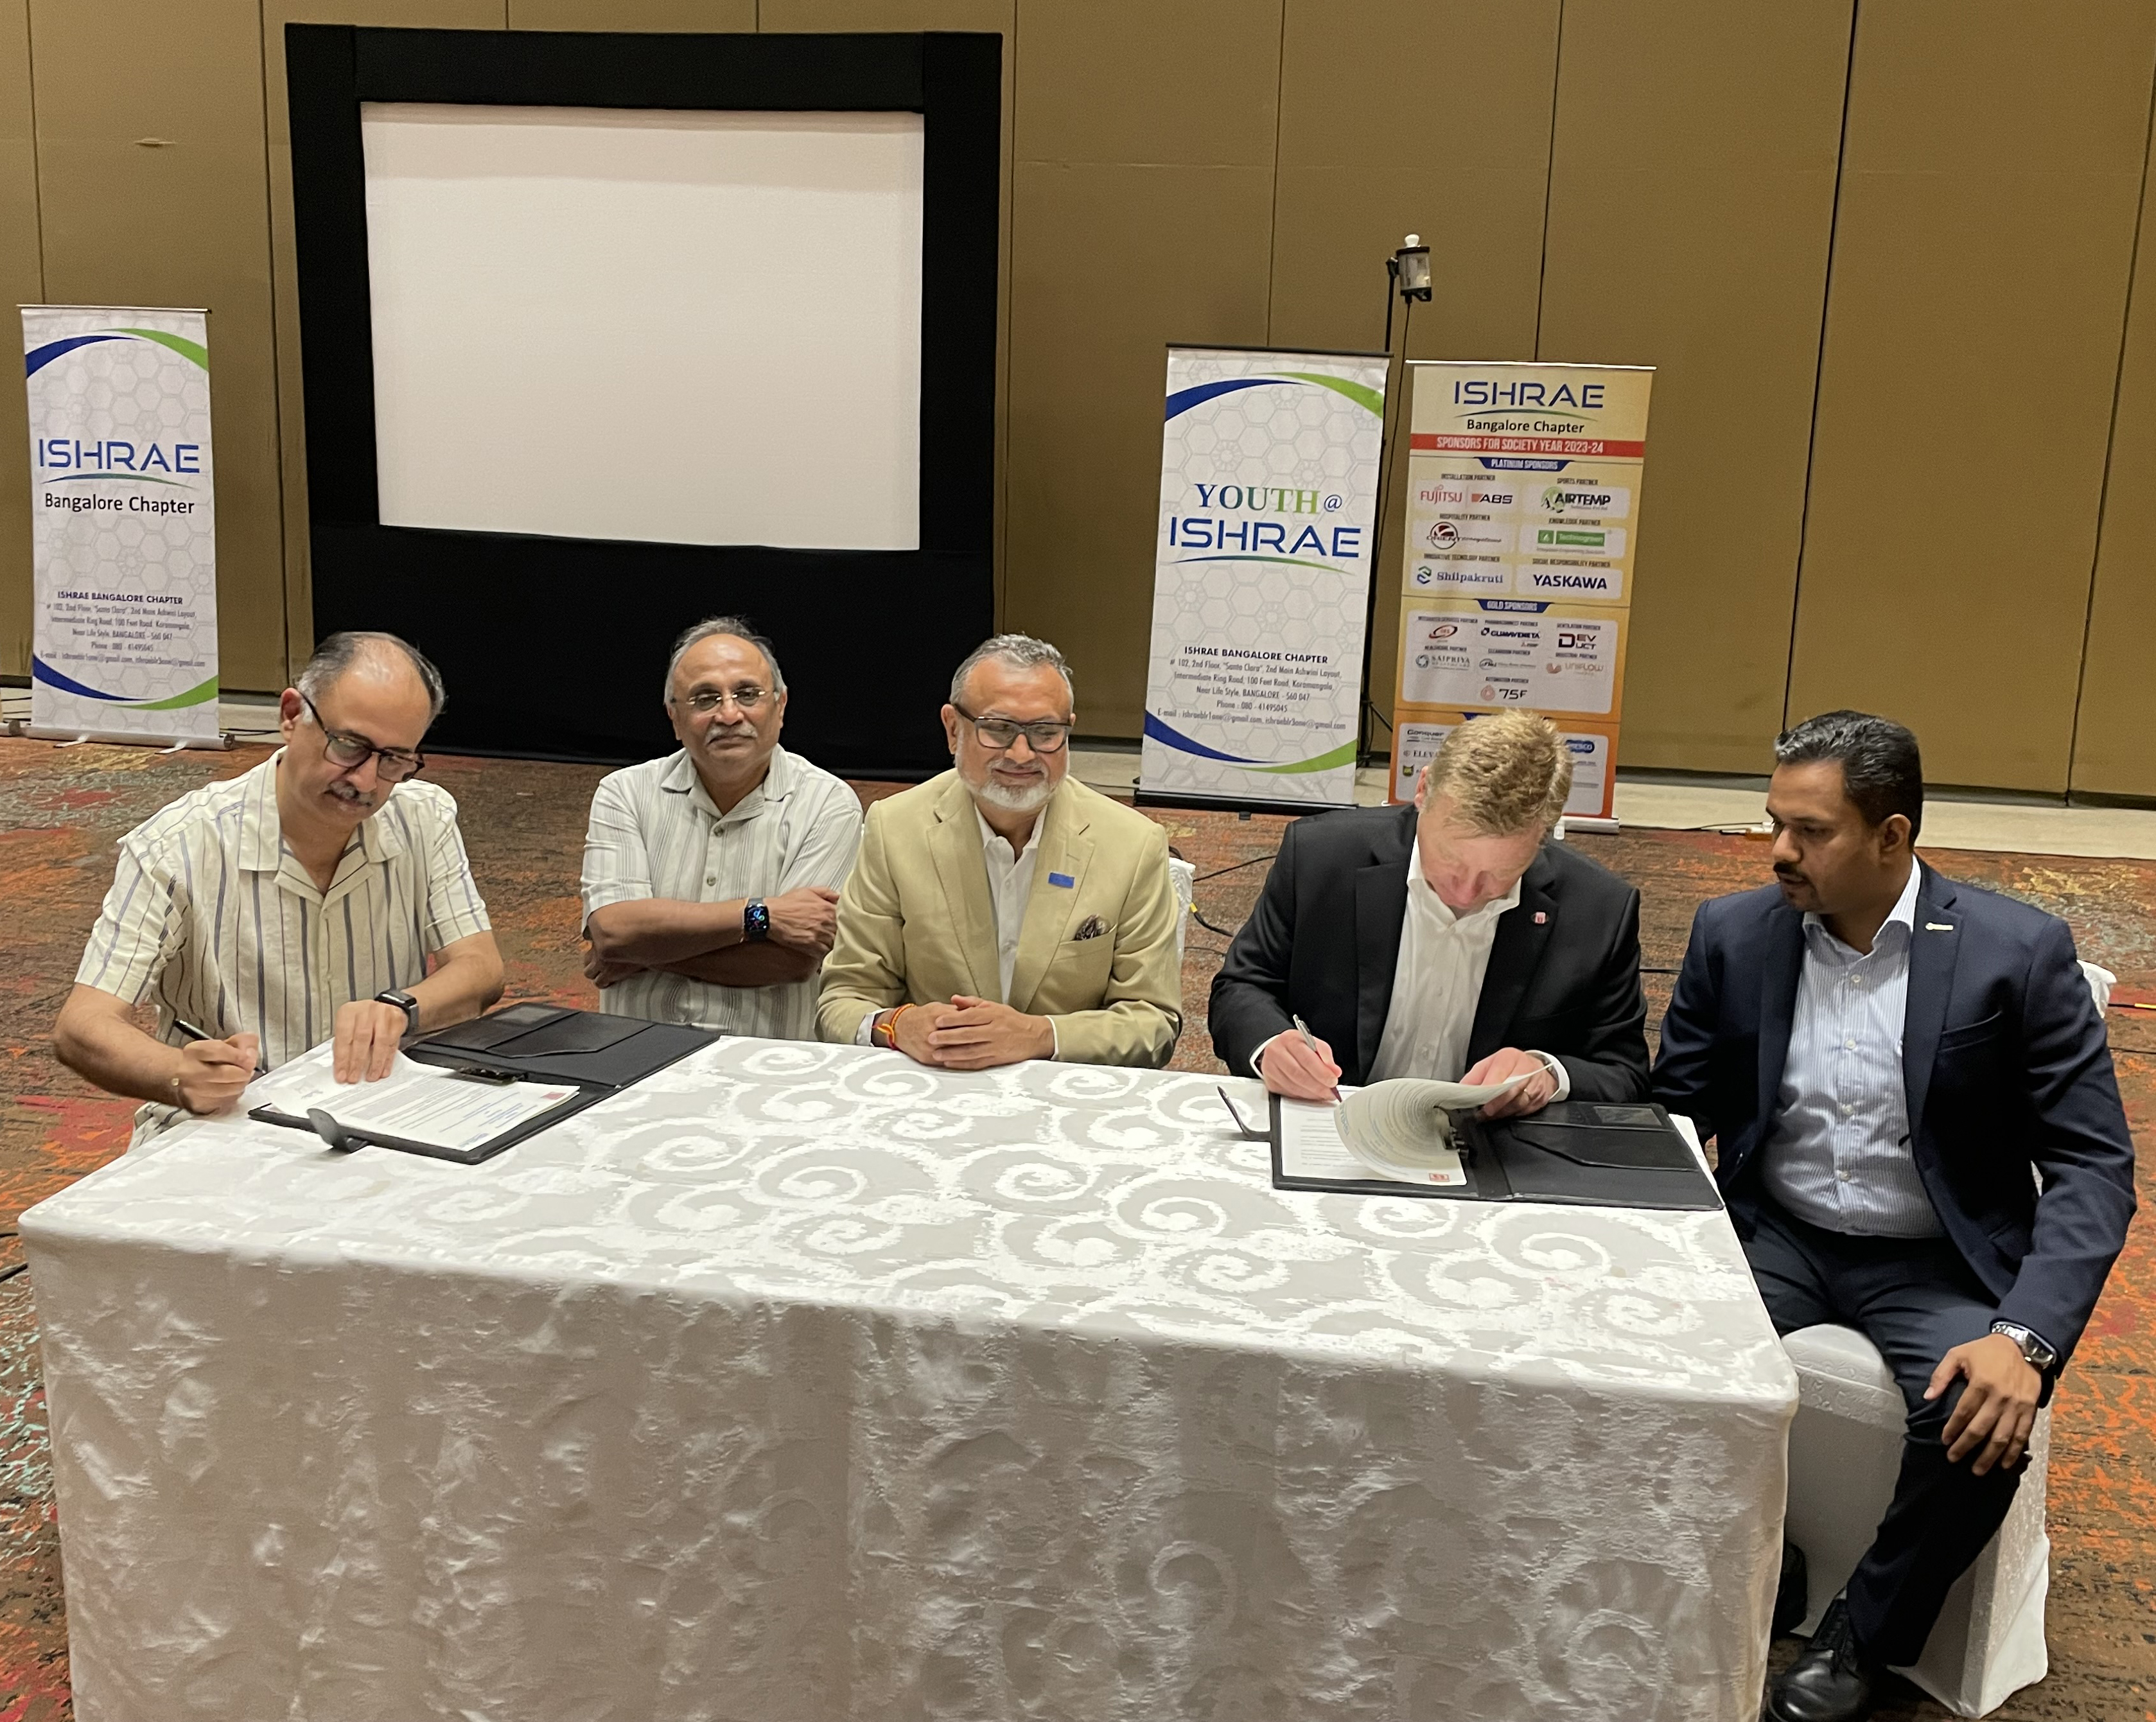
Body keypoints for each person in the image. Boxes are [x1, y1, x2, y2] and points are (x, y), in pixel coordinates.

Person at [1651, 711, 2135, 1722]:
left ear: (1893, 837)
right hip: (1775, 1232)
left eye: (1811, 831)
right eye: (1774, 822)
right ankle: (1760, 1552)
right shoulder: (1734, 934)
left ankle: (1865, 1637)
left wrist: (2026, 1337)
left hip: (1937, 1256)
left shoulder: (2018, 953)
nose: (1780, 851)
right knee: (1639, 1352)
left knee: (1979, 1416)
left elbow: (2093, 1168)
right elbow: (1677, 1098)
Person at [53, 631, 504, 1143]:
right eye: (350, 746)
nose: (366, 781)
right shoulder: (179, 845)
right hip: (221, 1130)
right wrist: (179, 1072)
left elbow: (481, 969)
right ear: (292, 714)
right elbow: (82, 1025)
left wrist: (402, 1006)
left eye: (395, 760)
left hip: (374, 1117)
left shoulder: (423, 817)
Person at [1209, 709, 1649, 1111]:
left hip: (1491, 1149)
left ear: (1543, 836)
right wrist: (1271, 1044)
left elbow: (1624, 1072)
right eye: (1450, 860)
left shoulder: (1598, 910)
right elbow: (1242, 986)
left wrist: (1547, 1073)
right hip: (1333, 1120)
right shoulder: (1321, 859)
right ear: (1421, 791)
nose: (1465, 893)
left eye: (1500, 874)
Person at [817, 634, 1181, 1068]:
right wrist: (897, 1025)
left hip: (1064, 1097)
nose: (1022, 754)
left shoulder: (1132, 843)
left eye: (1045, 732)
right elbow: (842, 1001)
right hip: (932, 1089)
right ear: (953, 728)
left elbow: (1153, 1022)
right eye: (998, 729)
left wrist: (1039, 1035)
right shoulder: (895, 828)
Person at [581, 617, 862, 1039]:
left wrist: (645, 952)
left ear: (781, 706)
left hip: (767, 1065)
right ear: (674, 718)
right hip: (633, 1056)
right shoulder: (624, 793)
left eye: (747, 694)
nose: (729, 714)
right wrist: (761, 915)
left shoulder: (827, 804)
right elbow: (614, 931)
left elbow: (792, 961)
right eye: (705, 699)